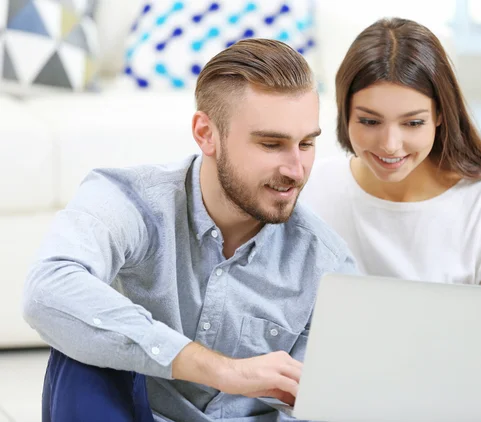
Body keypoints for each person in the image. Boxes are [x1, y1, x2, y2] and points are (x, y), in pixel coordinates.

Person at [22, 38, 356, 422]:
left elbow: (322, 406)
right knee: (78, 342)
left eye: (307, 144)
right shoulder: (131, 201)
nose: (296, 170)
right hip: (130, 412)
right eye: (271, 144)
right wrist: (221, 369)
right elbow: (47, 288)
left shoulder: (325, 265)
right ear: (206, 133)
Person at [301, 18, 481, 422]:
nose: (390, 145)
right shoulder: (314, 190)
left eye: (412, 122)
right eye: (369, 121)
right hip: (363, 396)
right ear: (344, 112)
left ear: (439, 115)